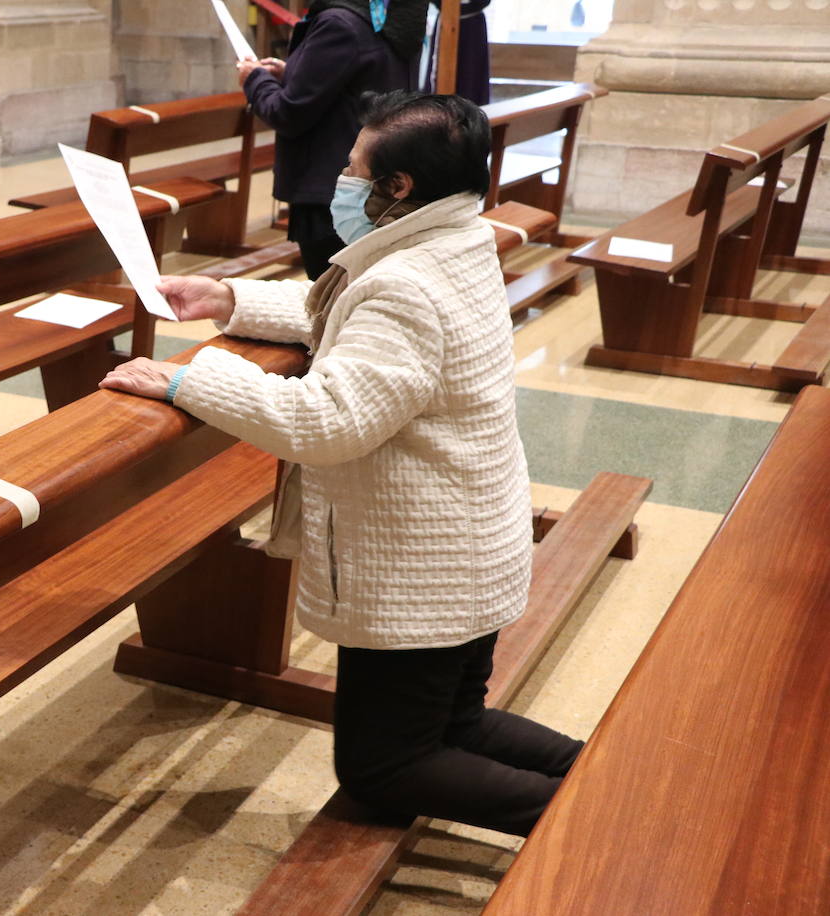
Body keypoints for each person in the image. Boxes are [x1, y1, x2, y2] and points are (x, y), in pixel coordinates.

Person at [100, 91, 582, 838]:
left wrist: (187, 380)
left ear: (398, 189)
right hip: (466, 543)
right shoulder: (454, 238)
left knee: (382, 768)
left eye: (354, 168)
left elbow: (328, 420)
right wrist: (226, 297)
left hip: (424, 568)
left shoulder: (406, 282)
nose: (340, 178)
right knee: (454, 722)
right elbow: (349, 317)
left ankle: (607, 815)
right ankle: (606, 769)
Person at [239, 0, 417, 281]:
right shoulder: (389, 15)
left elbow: (287, 113)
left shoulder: (340, 23)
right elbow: (362, 80)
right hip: (373, 179)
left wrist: (255, 80)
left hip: (331, 188)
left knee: (331, 299)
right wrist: (292, 74)